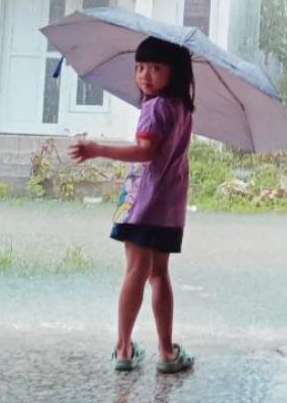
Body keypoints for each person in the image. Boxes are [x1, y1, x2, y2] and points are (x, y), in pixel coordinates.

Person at [69, 37, 196, 374]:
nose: (145, 75)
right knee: (159, 274)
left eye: (156, 68)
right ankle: (167, 351)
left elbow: (145, 152)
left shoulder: (154, 108)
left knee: (135, 271)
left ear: (175, 71)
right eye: (140, 67)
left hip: (142, 203)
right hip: (169, 206)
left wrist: (98, 149)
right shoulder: (184, 108)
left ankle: (124, 348)